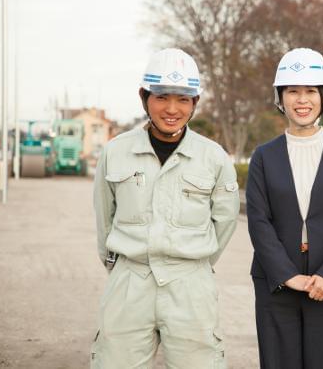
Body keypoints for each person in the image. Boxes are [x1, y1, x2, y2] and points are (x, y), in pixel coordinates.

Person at [92, 48, 240, 368]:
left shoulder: (214, 158)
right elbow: (105, 220)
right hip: (129, 282)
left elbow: (224, 223)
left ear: (195, 103)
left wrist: (193, 263)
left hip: (190, 286)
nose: (172, 109)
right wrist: (123, 267)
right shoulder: (115, 153)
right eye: (161, 97)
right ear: (144, 97)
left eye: (183, 99)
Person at [246, 48, 323, 369]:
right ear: (280, 98)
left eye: (311, 91)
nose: (302, 100)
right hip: (276, 288)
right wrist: (288, 276)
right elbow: (259, 221)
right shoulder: (263, 156)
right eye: (293, 91)